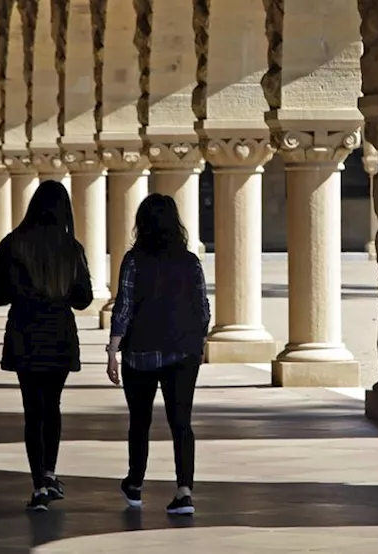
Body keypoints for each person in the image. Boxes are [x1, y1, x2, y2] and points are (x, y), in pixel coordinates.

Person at [0, 180, 94, 512]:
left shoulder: (13, 244)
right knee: (53, 406)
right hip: (59, 335)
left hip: (25, 334)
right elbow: (83, 299)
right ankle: (49, 472)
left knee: (33, 411)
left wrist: (24, 292)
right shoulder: (70, 248)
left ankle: (38, 484)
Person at [106, 193, 211, 516]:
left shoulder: (134, 260)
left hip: (140, 352)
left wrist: (113, 350)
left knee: (140, 422)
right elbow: (203, 310)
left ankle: (135, 484)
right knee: (182, 423)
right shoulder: (190, 261)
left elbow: (123, 307)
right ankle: (184, 491)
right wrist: (194, 341)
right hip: (182, 352)